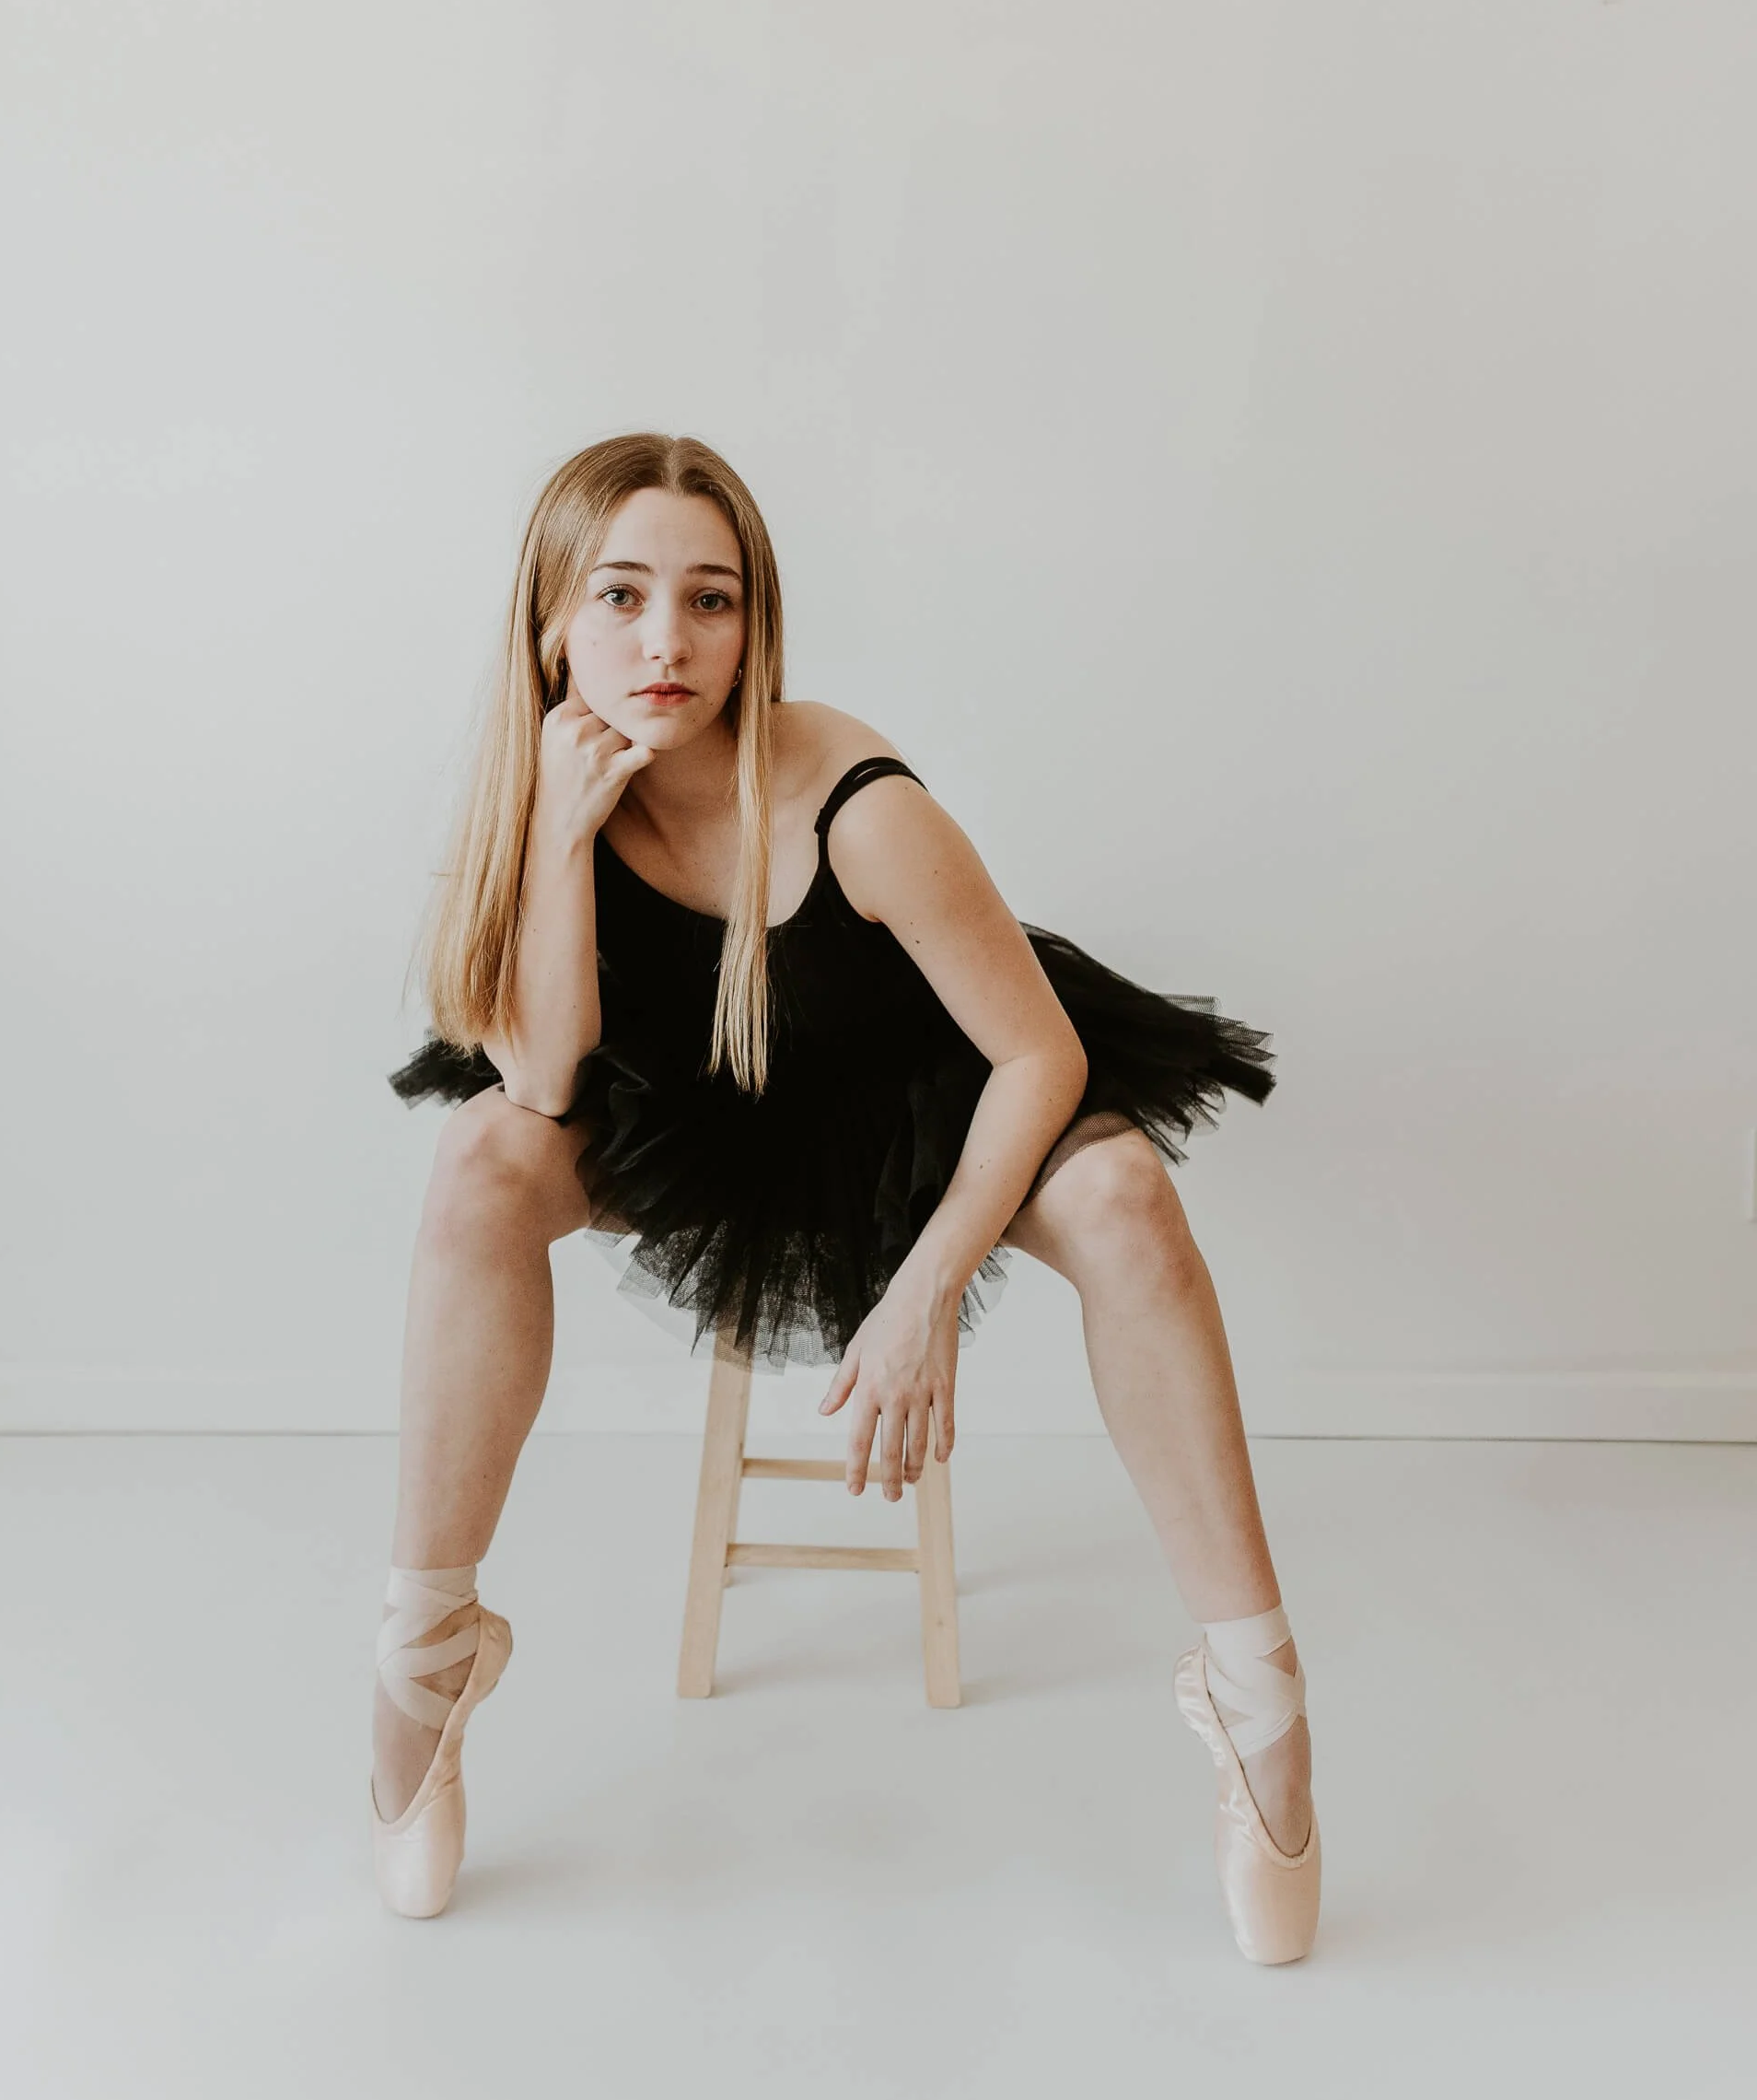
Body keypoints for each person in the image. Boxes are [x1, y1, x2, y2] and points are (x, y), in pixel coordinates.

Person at [373, 431, 1318, 1962]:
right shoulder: (540, 795)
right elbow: (545, 1082)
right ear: (550, 619)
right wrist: (555, 833)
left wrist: (924, 1289)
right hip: (705, 1110)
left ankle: (1258, 1698)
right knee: (481, 1156)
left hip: (936, 1099)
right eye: (618, 596)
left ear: (758, 625)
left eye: (711, 599)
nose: (666, 643)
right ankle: (425, 1653)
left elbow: (1036, 1056)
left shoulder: (850, 799)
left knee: (1130, 1196)